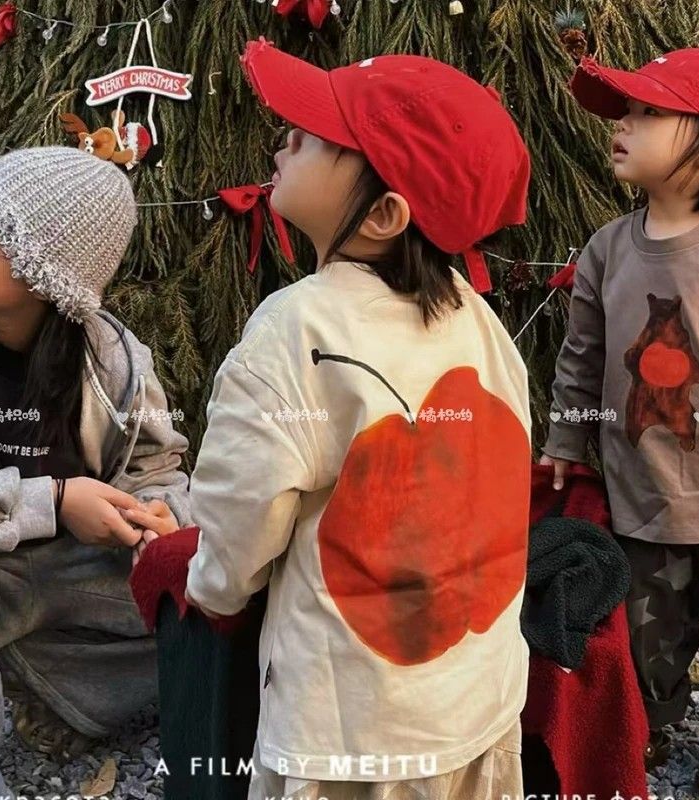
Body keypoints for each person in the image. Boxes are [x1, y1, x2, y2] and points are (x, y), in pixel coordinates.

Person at [156, 38, 533, 800]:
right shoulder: (478, 320)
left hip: (349, 723)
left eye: (314, 135)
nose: (283, 139)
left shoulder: (296, 329)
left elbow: (243, 505)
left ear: (385, 213)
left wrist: (212, 590)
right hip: (476, 698)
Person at [541, 49, 699, 798]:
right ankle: (639, 731)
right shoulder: (607, 249)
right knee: (647, 631)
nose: (622, 125)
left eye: (648, 113)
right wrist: (564, 437)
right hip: (639, 494)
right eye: (625, 111)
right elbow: (581, 357)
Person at [0, 146, 191, 794]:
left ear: (46, 276)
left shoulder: (112, 361)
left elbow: (156, 463)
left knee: (207, 585)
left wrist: (157, 516)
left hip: (78, 570)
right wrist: (54, 499)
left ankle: (59, 695)